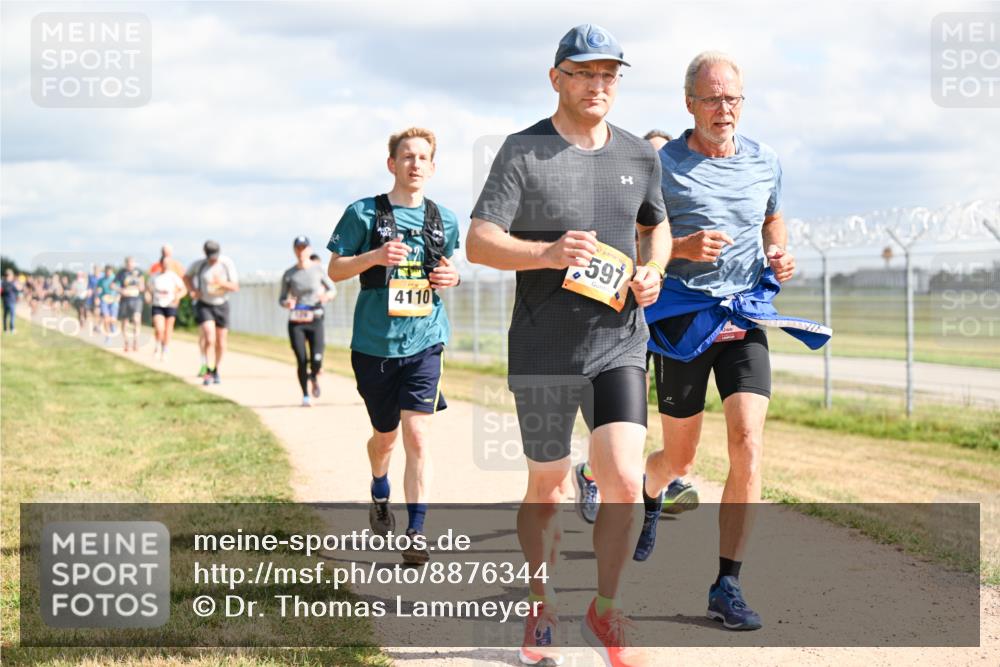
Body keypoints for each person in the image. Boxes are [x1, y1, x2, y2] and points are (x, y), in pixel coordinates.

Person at [466, 25, 671, 667]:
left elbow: (656, 227)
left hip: (619, 342)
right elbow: (477, 241)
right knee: (548, 488)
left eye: (610, 74)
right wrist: (545, 252)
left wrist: (654, 270)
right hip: (543, 346)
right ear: (557, 78)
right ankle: (540, 603)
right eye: (585, 73)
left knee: (623, 476)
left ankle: (606, 611)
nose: (599, 85)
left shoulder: (640, 155)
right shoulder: (522, 151)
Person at [626, 52, 829, 632]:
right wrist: (682, 249)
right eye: (713, 98)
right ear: (689, 102)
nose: (725, 109)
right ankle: (652, 486)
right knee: (681, 457)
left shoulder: (765, 161)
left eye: (733, 98)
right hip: (685, 323)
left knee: (748, 442)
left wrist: (779, 254)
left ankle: (728, 583)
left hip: (744, 318)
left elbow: (772, 218)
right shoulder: (660, 165)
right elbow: (638, 243)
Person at [327, 126, 461, 565]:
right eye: (407, 157)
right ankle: (379, 487)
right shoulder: (363, 213)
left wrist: (451, 278)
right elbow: (335, 270)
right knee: (385, 439)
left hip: (425, 340)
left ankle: (417, 531)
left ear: (433, 167)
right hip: (373, 345)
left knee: (418, 435)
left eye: (423, 157)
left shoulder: (445, 219)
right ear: (392, 164)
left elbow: (449, 268)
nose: (415, 164)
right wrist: (374, 257)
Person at [574, 127, 700, 524]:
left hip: (672, 314)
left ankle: (658, 474)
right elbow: (629, 241)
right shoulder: (628, 192)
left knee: (673, 402)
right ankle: (596, 473)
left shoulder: (680, 197)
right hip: (625, 316)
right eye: (654, 159)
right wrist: (681, 249)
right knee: (631, 403)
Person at [279, 236, 336, 406]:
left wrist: (327, 296)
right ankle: (305, 395)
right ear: (294, 250)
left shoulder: (318, 270)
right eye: (298, 248)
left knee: (317, 359)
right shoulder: (289, 274)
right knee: (302, 359)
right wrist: (287, 303)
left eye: (304, 247)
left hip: (315, 318)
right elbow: (281, 298)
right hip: (296, 320)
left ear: (309, 249)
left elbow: (332, 289)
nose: (301, 251)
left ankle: (314, 375)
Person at [185, 241, 239, 385]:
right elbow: (186, 277)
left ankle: (216, 369)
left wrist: (221, 283)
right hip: (205, 304)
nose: (213, 259)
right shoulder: (199, 264)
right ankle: (208, 370)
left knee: (221, 342)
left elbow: (235, 286)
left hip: (222, 305)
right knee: (209, 337)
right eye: (210, 257)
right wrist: (192, 290)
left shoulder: (226, 264)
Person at [148, 252, 187, 361]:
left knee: (168, 329)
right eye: (164, 263)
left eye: (168, 263)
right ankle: (157, 346)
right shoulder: (154, 276)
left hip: (170, 305)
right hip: (157, 305)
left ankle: (165, 349)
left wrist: (177, 296)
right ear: (160, 263)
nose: (166, 265)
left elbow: (183, 290)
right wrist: (148, 295)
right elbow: (148, 288)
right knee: (159, 328)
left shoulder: (173, 276)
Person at [116, 257, 145, 352]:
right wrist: (120, 290)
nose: (130, 265)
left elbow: (142, 286)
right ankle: (126, 342)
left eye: (131, 263)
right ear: (125, 264)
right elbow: (113, 285)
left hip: (136, 299)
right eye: (128, 263)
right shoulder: (121, 273)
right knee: (125, 322)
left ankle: (135, 341)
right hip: (125, 300)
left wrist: (140, 287)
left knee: (137, 320)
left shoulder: (139, 272)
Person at [95, 265, 120, 343]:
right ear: (105, 271)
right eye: (106, 272)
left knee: (112, 320)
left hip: (113, 301)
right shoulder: (101, 280)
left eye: (109, 272)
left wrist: (118, 296)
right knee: (106, 319)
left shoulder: (116, 279)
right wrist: (97, 297)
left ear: (112, 271)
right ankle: (108, 337)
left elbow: (120, 289)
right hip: (104, 300)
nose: (108, 273)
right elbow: (98, 289)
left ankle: (112, 325)